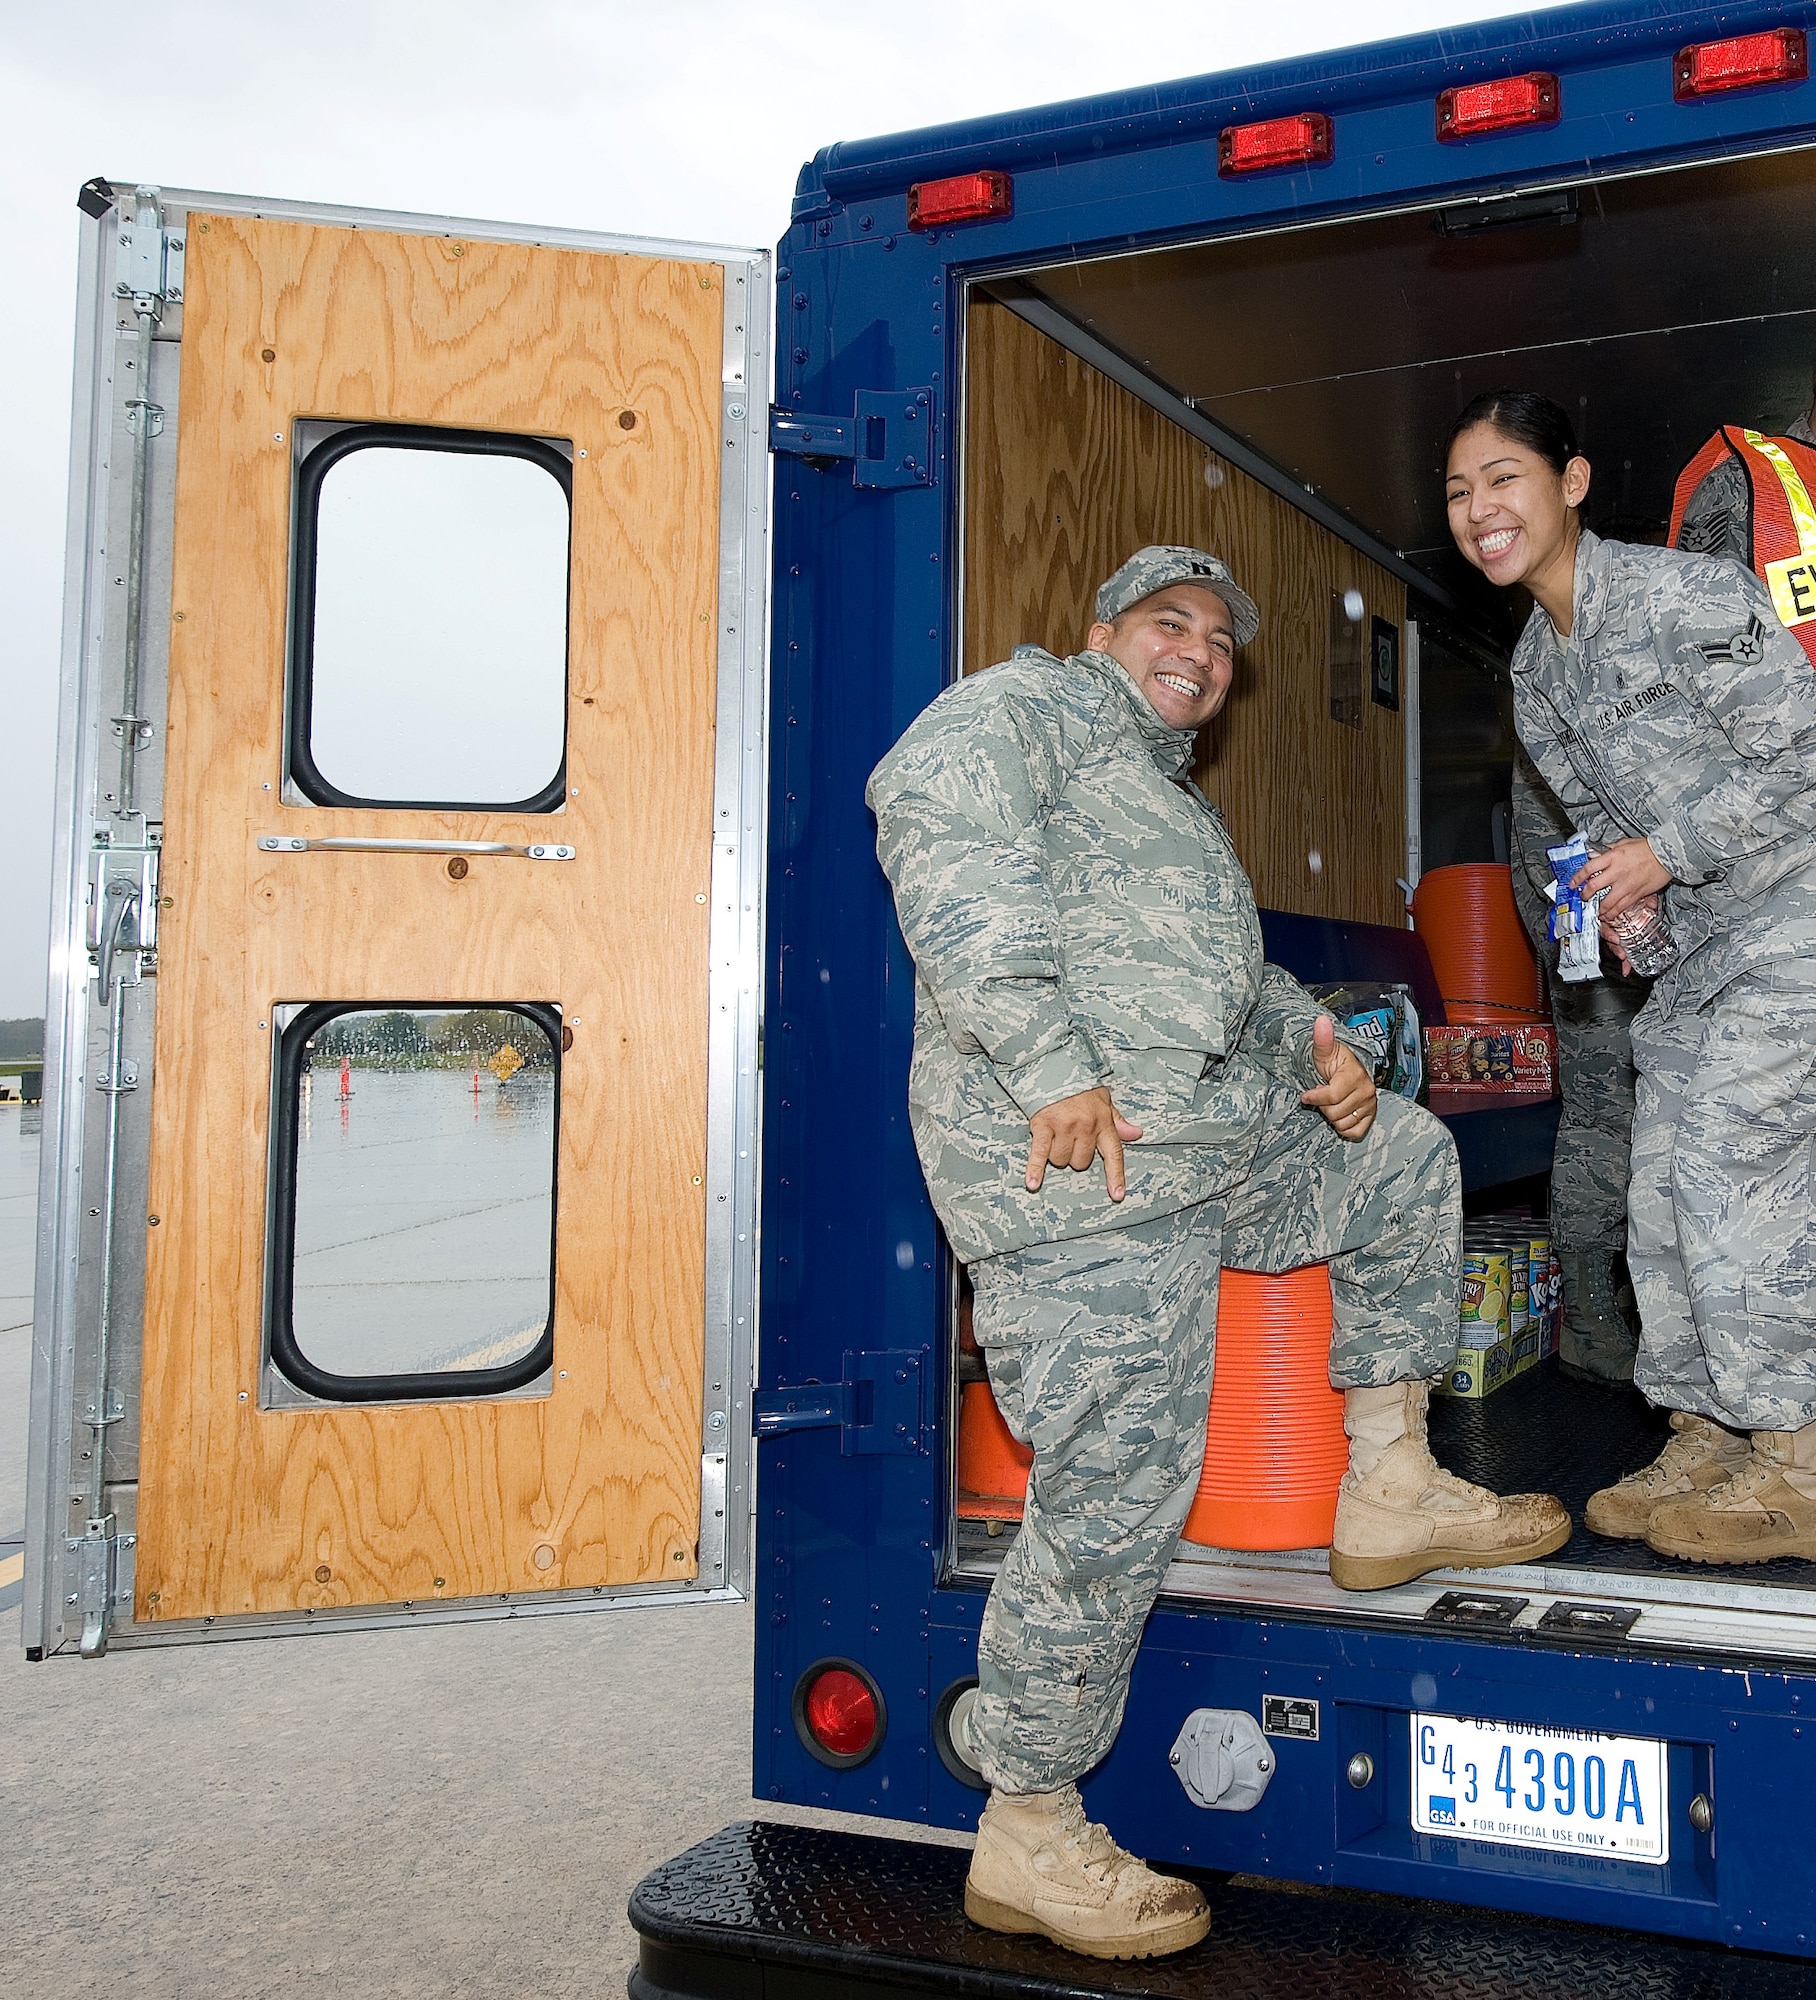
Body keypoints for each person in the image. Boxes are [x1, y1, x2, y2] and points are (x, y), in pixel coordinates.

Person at [866, 547, 1569, 1961]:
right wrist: (1055, 1065)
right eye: (1167, 621)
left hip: (1205, 1145)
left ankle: (1388, 1485)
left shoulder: (1169, 809)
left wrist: (1328, 1049)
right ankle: (1029, 1824)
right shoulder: (1019, 717)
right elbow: (941, 854)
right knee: (1122, 1484)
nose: (1199, 649)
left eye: (1221, 638)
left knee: (1402, 1158)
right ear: (1099, 630)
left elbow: (1233, 985)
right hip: (1079, 1172)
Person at [1445, 390, 1816, 1562]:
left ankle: (1795, 1455)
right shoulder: (1535, 670)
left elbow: (1804, 758)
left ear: (1571, 482)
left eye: (1502, 478)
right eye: (1457, 492)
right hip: (1699, 951)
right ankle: (1707, 1431)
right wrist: (1626, 905)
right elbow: (1602, 829)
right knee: (1654, 1186)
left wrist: (1666, 853)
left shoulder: (1688, 598)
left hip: (1792, 916)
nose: (1477, 509)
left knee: (1726, 1170)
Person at [1507, 744, 1648, 1385]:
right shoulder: (1561, 666)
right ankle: (1589, 1311)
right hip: (1582, 874)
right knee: (1607, 1090)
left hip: (1688, 884)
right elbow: (1553, 808)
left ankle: (1645, 1292)